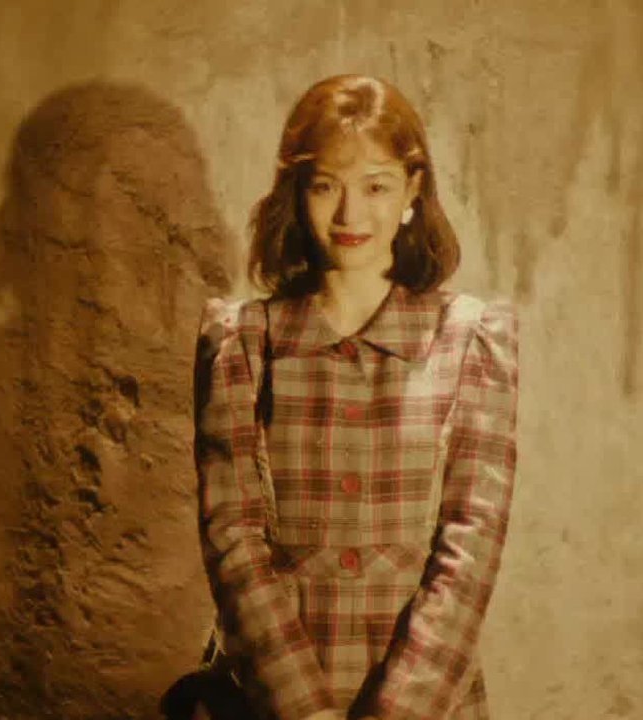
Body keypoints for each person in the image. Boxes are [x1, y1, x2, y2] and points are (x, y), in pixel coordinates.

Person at [190, 74, 519, 720]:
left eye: (376, 186)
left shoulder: (470, 339)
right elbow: (233, 538)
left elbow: (471, 548)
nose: (349, 216)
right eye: (325, 186)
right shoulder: (242, 341)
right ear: (297, 191)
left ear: (412, 190)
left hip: (426, 701)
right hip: (270, 698)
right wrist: (304, 708)